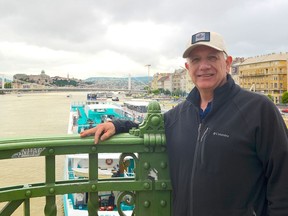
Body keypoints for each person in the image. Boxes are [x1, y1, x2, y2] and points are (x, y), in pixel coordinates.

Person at [80, 31, 288, 215]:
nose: (203, 66)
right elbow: (148, 126)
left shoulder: (259, 110)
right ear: (188, 67)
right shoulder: (180, 114)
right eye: (196, 60)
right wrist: (118, 125)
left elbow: (282, 177)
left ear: (228, 63)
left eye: (212, 58)